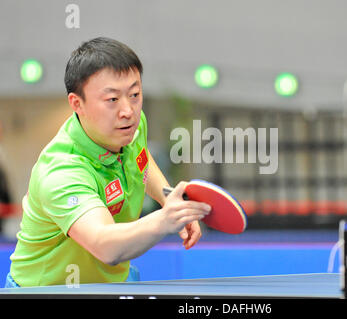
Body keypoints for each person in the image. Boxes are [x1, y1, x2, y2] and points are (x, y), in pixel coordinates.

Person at [6, 37, 211, 287]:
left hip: (115, 282)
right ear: (77, 103)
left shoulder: (130, 128)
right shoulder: (62, 170)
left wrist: (167, 196)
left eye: (135, 94)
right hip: (49, 291)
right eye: (112, 99)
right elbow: (105, 246)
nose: (128, 111)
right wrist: (165, 219)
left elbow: (142, 161)